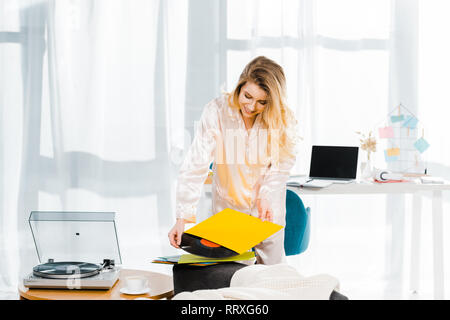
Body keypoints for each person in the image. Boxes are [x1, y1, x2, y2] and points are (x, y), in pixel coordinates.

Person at [168, 56, 299, 264]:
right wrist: (182, 218)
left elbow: (282, 165)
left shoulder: (282, 117)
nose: (252, 106)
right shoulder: (217, 111)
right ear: (240, 86)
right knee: (231, 278)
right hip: (230, 213)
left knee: (272, 279)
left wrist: (265, 194)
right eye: (247, 96)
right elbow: (196, 164)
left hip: (267, 211)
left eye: (262, 102)